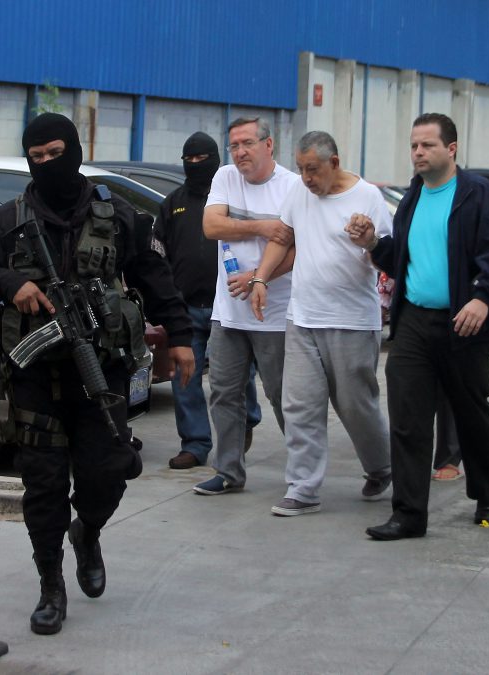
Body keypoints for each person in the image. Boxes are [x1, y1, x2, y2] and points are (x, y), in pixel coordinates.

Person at [0, 113, 195, 635]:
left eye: (54, 153)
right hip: (34, 377)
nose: (46, 164)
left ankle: (87, 530)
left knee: (107, 473)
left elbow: (155, 276)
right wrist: (11, 282)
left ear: (75, 151)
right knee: (43, 486)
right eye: (36, 157)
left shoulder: (118, 215)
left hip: (101, 373)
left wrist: (180, 337)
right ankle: (51, 584)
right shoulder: (8, 219)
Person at [347, 112, 489, 540]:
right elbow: (402, 258)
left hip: (465, 324)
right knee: (407, 418)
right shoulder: (413, 197)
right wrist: (372, 243)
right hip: (415, 322)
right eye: (414, 146)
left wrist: (482, 297)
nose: (418, 153)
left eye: (427, 145)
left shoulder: (478, 195)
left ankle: (486, 495)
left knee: (471, 413)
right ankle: (408, 514)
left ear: (451, 149)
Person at [248, 131, 392, 515]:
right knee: (299, 404)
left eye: (312, 169)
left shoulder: (368, 197)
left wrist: (368, 241)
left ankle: (381, 466)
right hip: (302, 317)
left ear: (334, 162)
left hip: (352, 322)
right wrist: (260, 278)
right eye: (300, 169)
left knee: (356, 406)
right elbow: (283, 237)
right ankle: (303, 487)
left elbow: (386, 257)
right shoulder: (299, 192)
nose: (306, 177)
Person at [194, 117, 300, 495]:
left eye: (248, 143)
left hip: (275, 314)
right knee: (223, 393)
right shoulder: (225, 177)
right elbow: (212, 226)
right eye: (234, 145)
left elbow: (299, 248)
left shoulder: (292, 186)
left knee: (283, 396)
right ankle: (228, 472)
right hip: (228, 313)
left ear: (269, 145)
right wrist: (261, 227)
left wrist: (258, 277)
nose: (240, 152)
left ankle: (303, 475)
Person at [157, 132, 262, 470]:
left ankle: (246, 419)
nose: (195, 165)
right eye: (189, 160)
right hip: (186, 308)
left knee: (237, 377)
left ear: (216, 160)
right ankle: (195, 443)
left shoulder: (230, 200)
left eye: (202, 159)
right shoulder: (173, 203)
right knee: (184, 378)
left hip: (228, 305)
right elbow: (158, 253)